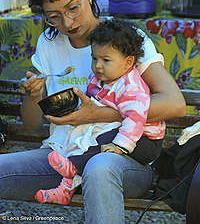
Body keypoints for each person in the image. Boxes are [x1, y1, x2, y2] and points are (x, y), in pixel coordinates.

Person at [0, 0, 186, 224]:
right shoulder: (49, 46)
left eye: (73, 8)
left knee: (99, 167)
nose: (68, 22)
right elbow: (31, 125)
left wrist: (98, 114)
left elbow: (175, 104)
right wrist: (32, 94)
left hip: (124, 158)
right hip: (61, 158)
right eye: (54, 17)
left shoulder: (124, 38)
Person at [34, 19, 166, 205]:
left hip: (144, 140)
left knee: (101, 141)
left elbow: (135, 120)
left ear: (128, 61)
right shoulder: (100, 78)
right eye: (94, 58)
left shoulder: (131, 87)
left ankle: (73, 165)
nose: (98, 65)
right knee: (86, 138)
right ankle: (64, 190)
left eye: (106, 60)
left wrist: (119, 145)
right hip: (124, 130)